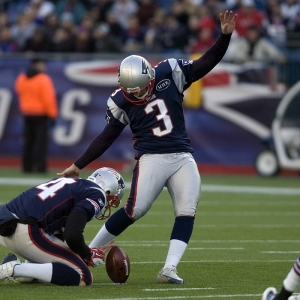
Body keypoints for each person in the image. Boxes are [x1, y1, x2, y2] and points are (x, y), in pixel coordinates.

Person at [58, 10, 237, 284]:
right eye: (132, 91)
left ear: (150, 77)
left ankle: (169, 269)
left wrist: (224, 37)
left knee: (187, 209)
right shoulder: (120, 100)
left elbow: (206, 63)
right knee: (134, 210)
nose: (137, 95)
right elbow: (106, 137)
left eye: (141, 89)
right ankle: (87, 252)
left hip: (182, 155)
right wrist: (77, 165)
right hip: (151, 157)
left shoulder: (169, 72)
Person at [0, 167, 125, 286]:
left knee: (56, 263)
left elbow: (58, 235)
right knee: (84, 276)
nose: (108, 204)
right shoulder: (97, 193)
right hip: (25, 229)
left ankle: (28, 270)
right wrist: (89, 254)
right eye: (111, 200)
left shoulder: (71, 183)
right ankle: (15, 268)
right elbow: (72, 235)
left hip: (8, 224)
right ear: (107, 190)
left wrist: (82, 255)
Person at [15, 58, 58, 173]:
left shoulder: (22, 78)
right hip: (40, 113)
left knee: (28, 141)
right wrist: (53, 114)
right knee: (41, 142)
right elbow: (48, 99)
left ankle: (26, 166)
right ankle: (40, 167)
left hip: (27, 112)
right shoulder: (43, 79)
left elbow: (19, 91)